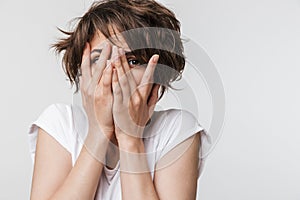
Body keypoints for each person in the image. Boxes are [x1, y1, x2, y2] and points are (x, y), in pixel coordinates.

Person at [28, 0, 211, 199]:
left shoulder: (177, 129)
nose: (114, 71)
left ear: (158, 76)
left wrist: (130, 138)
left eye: (132, 61)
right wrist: (99, 132)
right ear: (82, 72)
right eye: (98, 59)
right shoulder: (60, 124)